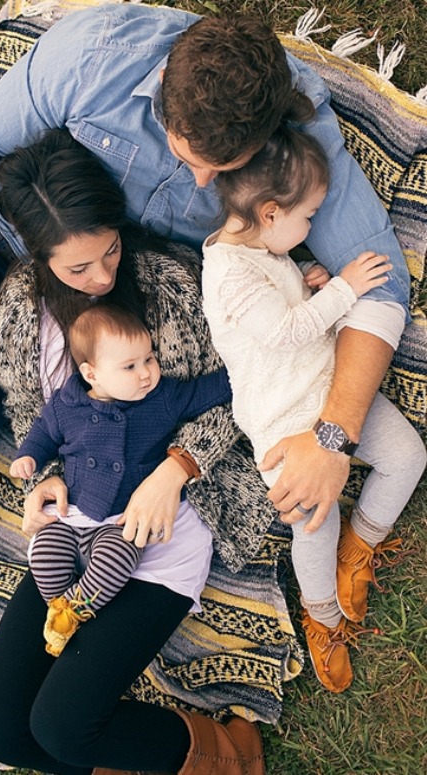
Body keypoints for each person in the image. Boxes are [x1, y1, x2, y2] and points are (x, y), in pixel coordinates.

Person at [0, 4, 410, 695]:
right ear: (163, 85)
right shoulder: (96, 54)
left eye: (224, 170)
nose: (201, 183)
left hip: (92, 286)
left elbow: (383, 282)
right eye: (192, 157)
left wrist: (333, 435)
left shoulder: (296, 118)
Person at [0, 129, 266, 773]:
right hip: (79, 529)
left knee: (62, 725)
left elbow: (240, 384)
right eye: (77, 267)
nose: (102, 277)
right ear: (37, 254)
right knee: (0, 733)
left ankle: (222, 755)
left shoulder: (167, 284)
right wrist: (44, 479)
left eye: (109, 251)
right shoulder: (19, 310)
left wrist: (178, 467)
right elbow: (31, 411)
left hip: (169, 521)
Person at [201, 126, 426, 693]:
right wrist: (343, 290)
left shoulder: (259, 248)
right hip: (282, 422)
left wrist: (306, 282)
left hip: (327, 393)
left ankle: (363, 544)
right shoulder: (226, 272)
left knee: (407, 456)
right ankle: (322, 618)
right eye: (310, 217)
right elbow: (280, 330)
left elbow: (284, 306)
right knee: (313, 524)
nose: (312, 228)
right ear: (271, 213)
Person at [12, 303, 231, 656]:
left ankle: (78, 608)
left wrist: (245, 367)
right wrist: (28, 456)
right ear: (91, 374)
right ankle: (59, 604)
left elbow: (209, 390)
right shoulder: (66, 405)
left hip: (123, 518)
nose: (145, 373)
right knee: (46, 552)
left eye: (149, 359)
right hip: (74, 513)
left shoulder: (162, 399)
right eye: (130, 366)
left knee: (121, 554)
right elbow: (43, 433)